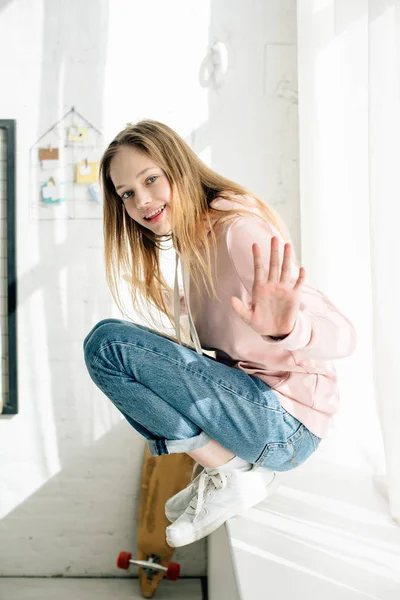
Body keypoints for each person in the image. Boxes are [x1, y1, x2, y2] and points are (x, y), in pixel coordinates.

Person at [83, 120, 357, 548]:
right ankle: (228, 470)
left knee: (108, 346)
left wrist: (286, 329)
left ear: (179, 167)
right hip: (259, 414)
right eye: (127, 194)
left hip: (286, 423)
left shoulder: (237, 232)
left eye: (150, 179)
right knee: (111, 344)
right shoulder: (194, 245)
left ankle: (231, 473)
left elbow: (344, 337)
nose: (142, 201)